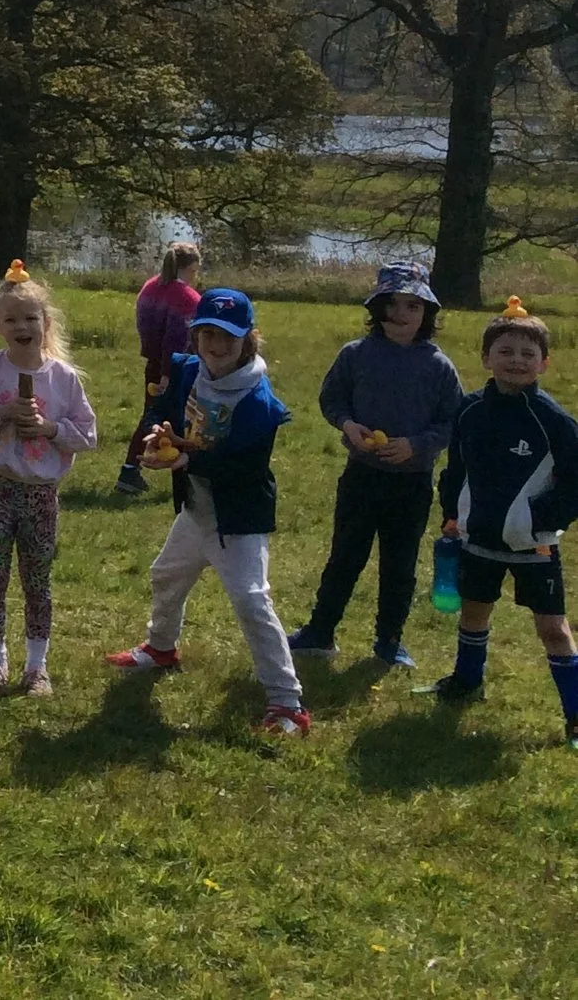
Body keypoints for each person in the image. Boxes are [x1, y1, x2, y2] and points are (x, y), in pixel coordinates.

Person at [105, 288, 312, 736]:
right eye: (207, 336)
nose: (216, 347)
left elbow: (242, 466)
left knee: (251, 600)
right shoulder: (187, 370)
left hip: (236, 519)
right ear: (195, 336)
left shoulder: (259, 404)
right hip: (197, 510)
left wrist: (184, 460)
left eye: (228, 339)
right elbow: (163, 408)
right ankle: (161, 648)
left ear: (249, 340)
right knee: (166, 575)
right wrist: (159, 431)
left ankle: (287, 703)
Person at [285, 262, 465, 669]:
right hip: (361, 477)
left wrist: (415, 446)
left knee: (399, 565)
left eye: (413, 307)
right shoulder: (356, 355)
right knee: (345, 555)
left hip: (412, 483)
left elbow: (453, 422)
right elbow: (332, 399)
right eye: (393, 305)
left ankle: (389, 641)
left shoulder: (438, 367)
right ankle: (320, 630)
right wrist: (348, 425)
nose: (402, 315)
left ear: (427, 315)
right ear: (377, 308)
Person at [417, 299, 578, 746]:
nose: (516, 361)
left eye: (528, 355)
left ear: (544, 363)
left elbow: (575, 482)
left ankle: (576, 715)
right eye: (505, 352)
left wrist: (539, 520)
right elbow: (455, 469)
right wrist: (452, 514)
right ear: (486, 358)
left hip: (535, 546)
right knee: (473, 611)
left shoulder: (553, 421)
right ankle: (466, 682)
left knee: (553, 629)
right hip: (477, 540)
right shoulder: (469, 410)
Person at [0, 263, 98, 694]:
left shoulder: (62, 378)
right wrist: (0, 414)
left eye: (31, 318)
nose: (22, 326)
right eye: (12, 319)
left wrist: (50, 430)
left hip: (40, 494)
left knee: (37, 578)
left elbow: (87, 435)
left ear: (45, 323)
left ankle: (37, 666)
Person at [117, 241, 201, 495]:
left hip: (153, 364)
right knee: (187, 421)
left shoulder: (150, 288)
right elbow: (175, 340)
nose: (196, 277)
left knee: (151, 417)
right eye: (195, 271)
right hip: (178, 368)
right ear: (188, 268)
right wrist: (168, 373)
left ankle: (131, 469)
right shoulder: (186, 298)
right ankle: (186, 475)